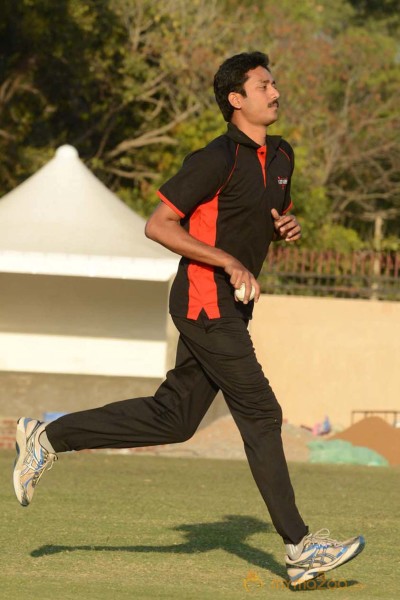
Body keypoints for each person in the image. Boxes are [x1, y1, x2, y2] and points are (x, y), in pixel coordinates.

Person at [13, 51, 364, 587]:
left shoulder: (283, 156)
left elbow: (253, 220)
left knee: (173, 420)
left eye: (274, 83)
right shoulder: (215, 157)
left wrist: (283, 227)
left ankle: (48, 435)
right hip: (204, 302)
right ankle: (300, 548)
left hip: (231, 309)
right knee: (262, 413)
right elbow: (159, 225)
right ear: (236, 99)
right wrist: (226, 260)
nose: (275, 91)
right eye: (264, 84)